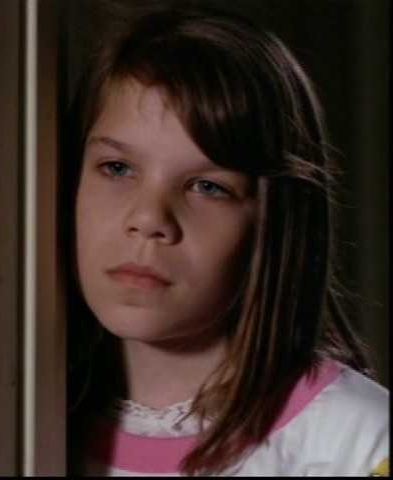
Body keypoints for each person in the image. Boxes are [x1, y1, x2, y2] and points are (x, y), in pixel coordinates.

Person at [61, 4, 389, 476]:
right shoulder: (19, 419)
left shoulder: (356, 444)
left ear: (274, 221)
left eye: (207, 187)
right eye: (117, 168)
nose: (149, 219)